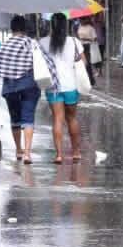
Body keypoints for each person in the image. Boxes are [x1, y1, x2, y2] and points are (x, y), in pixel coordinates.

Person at [0, 16, 42, 164]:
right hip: (29, 84)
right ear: (25, 28)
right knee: (28, 117)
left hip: (10, 86)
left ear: (12, 28)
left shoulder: (4, 44)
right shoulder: (31, 42)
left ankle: (18, 150)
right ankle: (27, 153)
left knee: (15, 119)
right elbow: (41, 62)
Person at [44, 13, 84, 163]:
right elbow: (82, 63)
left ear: (51, 25)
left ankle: (59, 155)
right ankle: (76, 152)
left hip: (52, 86)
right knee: (72, 118)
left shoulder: (42, 42)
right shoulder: (74, 41)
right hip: (70, 86)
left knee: (57, 119)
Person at [77, 17, 99, 85]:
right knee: (80, 64)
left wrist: (86, 39)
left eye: (82, 19)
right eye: (80, 20)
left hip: (88, 46)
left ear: (85, 20)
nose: (80, 21)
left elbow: (95, 38)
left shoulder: (90, 28)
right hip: (80, 46)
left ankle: (91, 80)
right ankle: (83, 79)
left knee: (87, 64)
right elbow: (78, 35)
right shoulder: (80, 26)